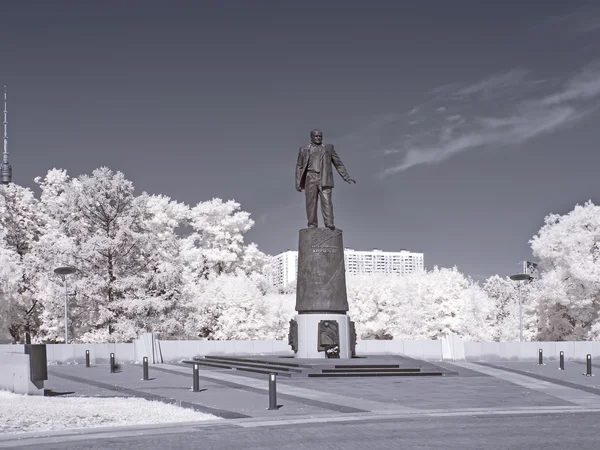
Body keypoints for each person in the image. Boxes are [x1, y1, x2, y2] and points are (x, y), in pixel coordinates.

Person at [295, 129, 355, 230]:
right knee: (311, 202)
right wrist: (297, 182)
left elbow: (338, 163)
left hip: (324, 177)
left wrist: (346, 177)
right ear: (311, 137)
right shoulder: (304, 149)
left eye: (320, 136)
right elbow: (299, 166)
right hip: (310, 177)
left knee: (327, 201)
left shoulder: (328, 148)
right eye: (316, 136)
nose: (318, 138)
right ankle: (312, 224)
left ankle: (329, 222)